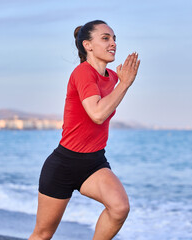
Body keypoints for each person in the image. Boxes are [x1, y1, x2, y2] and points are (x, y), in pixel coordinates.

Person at [29, 20, 140, 240]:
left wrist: (122, 83)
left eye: (114, 38)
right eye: (105, 38)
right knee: (42, 235)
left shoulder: (114, 78)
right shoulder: (82, 73)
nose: (113, 43)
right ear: (88, 45)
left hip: (94, 163)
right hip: (64, 164)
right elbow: (97, 114)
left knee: (119, 208)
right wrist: (125, 85)